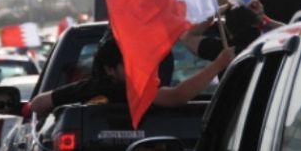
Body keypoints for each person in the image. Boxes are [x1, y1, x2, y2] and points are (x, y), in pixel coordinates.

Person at [29, 30, 234, 117]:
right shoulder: (133, 90)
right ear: (110, 69)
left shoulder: (87, 89)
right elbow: (176, 96)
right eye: (130, 64)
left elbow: (38, 103)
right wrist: (218, 65)